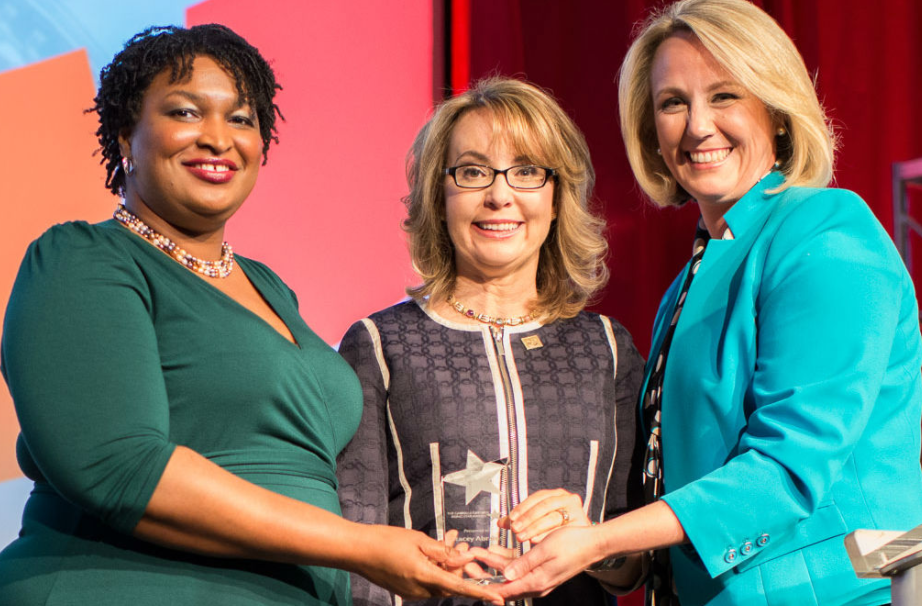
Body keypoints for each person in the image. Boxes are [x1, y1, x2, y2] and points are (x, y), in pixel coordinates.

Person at [0, 24, 502, 606]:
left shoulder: (268, 286)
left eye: (241, 119)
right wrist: (359, 545)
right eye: (186, 113)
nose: (217, 138)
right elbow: (120, 467)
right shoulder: (83, 261)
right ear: (123, 136)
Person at [478, 1, 922, 605]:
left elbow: (788, 468)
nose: (697, 126)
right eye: (673, 103)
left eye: (725, 96)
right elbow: (674, 503)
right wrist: (587, 541)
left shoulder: (828, 231)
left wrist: (601, 541)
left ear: (779, 113)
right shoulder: (688, 282)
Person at [335, 76, 646, 606]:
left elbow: (633, 569)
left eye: (526, 171)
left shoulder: (606, 348)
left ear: (557, 197)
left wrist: (598, 543)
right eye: (473, 171)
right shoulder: (380, 345)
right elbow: (356, 551)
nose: (499, 195)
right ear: (440, 196)